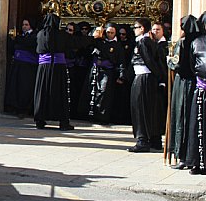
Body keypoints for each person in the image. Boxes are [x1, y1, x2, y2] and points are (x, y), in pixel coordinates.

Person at [34, 13, 97, 130]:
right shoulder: (62, 35)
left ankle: (40, 120)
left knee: (42, 92)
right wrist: (93, 39)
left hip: (43, 68)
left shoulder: (40, 34)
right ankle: (63, 122)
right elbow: (76, 42)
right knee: (60, 93)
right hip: (58, 68)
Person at [128, 18, 166, 153]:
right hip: (146, 77)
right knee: (150, 109)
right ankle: (154, 139)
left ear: (142, 28)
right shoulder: (148, 41)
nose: (134, 30)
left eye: (136, 27)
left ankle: (142, 140)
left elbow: (150, 61)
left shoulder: (144, 41)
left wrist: (158, 77)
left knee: (140, 109)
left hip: (144, 77)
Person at [167, 15, 199, 169]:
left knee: (181, 117)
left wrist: (169, 60)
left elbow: (177, 63)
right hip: (194, 83)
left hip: (183, 83)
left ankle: (182, 155)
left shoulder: (184, 43)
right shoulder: (199, 41)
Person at [77, 23, 126, 123]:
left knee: (103, 93)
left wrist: (121, 74)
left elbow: (121, 60)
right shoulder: (99, 41)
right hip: (95, 69)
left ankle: (102, 116)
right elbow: (88, 47)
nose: (110, 34)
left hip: (107, 71)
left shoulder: (117, 45)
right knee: (91, 90)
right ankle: (89, 114)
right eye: (108, 32)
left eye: (112, 33)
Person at [4, 18, 38, 118]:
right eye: (23, 24)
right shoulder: (21, 37)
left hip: (28, 68)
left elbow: (28, 43)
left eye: (26, 25)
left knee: (25, 88)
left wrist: (17, 40)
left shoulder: (34, 36)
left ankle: (24, 109)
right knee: (15, 86)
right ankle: (15, 107)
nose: (24, 26)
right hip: (18, 66)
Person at [186, 11, 206, 175]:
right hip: (202, 89)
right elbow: (193, 66)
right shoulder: (197, 42)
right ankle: (197, 162)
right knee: (197, 127)